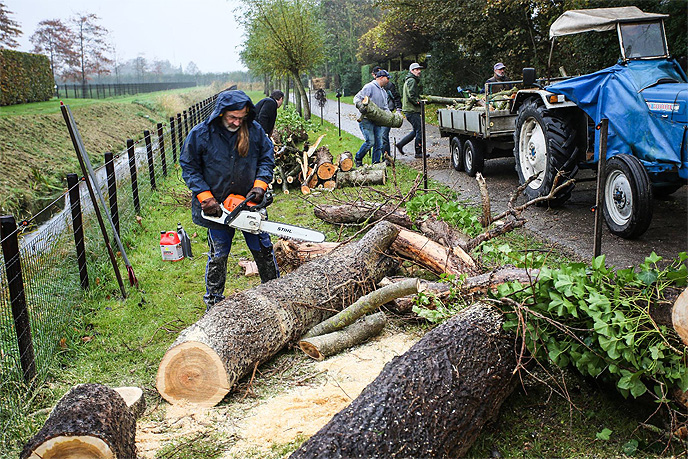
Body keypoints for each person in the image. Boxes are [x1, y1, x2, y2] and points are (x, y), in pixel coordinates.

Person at [180, 90, 279, 309]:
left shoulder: (254, 130)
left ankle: (275, 295)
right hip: (217, 208)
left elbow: (267, 157)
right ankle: (214, 303)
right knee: (218, 254)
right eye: (232, 117)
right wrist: (205, 198)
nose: (236, 122)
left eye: (240, 118)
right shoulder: (202, 134)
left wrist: (260, 186)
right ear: (221, 113)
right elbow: (189, 166)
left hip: (249, 204)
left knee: (263, 249)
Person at [353, 69, 392, 167]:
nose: (388, 80)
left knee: (379, 143)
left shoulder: (384, 92)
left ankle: (375, 163)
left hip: (377, 120)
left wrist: (390, 116)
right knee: (370, 141)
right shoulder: (369, 87)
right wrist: (360, 106)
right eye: (387, 78)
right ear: (381, 78)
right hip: (365, 119)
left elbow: (385, 107)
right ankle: (358, 158)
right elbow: (357, 98)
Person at [396, 62, 426, 159]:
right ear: (412, 71)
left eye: (419, 69)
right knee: (419, 131)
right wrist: (418, 102)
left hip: (409, 110)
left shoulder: (410, 80)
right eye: (417, 69)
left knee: (416, 131)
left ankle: (400, 144)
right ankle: (418, 152)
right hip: (411, 110)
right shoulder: (412, 80)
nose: (419, 71)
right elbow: (411, 95)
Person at [371, 65, 402, 158]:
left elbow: (396, 97)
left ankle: (387, 157)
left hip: (387, 113)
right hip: (376, 114)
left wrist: (398, 109)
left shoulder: (389, 85)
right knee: (377, 137)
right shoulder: (371, 86)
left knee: (384, 136)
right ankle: (377, 157)